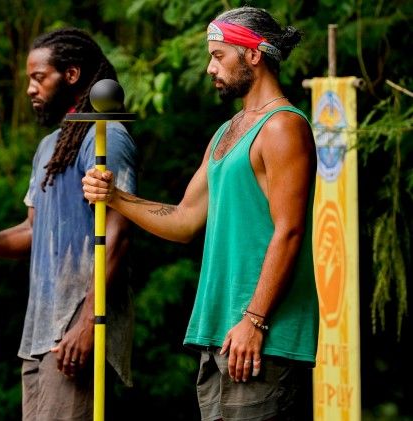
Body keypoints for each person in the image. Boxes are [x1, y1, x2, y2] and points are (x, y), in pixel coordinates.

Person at [82, 6, 318, 420]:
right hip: (220, 336)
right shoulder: (228, 131)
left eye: (218, 55)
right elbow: (184, 220)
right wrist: (116, 197)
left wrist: (255, 320)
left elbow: (290, 231)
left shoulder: (283, 127)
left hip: (263, 337)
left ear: (254, 55)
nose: (210, 67)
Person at [0, 28, 137, 420]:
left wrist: (88, 323)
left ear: (72, 74)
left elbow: (118, 237)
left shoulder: (107, 137)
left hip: (78, 331)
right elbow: (32, 231)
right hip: (40, 335)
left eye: (38, 77)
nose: (30, 89)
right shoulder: (50, 144)